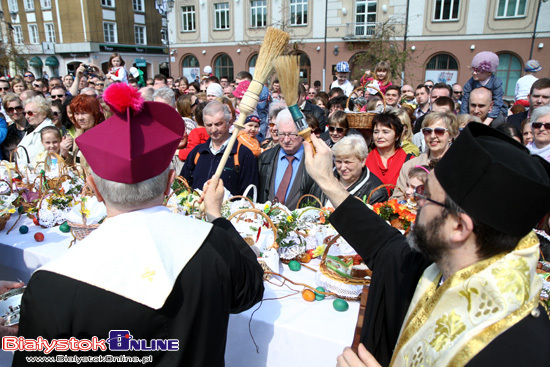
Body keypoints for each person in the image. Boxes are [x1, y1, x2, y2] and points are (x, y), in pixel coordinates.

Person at [13, 84, 264, 366]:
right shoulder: (212, 243)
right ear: (171, 183)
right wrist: (216, 218)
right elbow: (250, 290)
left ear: (94, 188)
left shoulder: (49, 284)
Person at [303, 123, 550, 367]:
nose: (416, 202)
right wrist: (326, 178)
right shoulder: (438, 267)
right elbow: (384, 244)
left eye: (426, 195)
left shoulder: (519, 349)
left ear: (459, 228)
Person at [181, 101, 258, 196]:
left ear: (229, 122)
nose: (213, 130)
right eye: (209, 125)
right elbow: (182, 186)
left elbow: (249, 196)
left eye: (218, 124)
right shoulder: (197, 152)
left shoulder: (243, 154)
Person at [393, 111, 458, 201]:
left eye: (439, 131)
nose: (432, 136)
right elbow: (397, 199)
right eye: (427, 131)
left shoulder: (459, 166)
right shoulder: (409, 165)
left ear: (450, 135)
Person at [257, 108, 314, 209]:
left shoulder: (314, 160)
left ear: (302, 132)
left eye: (292, 134)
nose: (286, 140)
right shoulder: (265, 159)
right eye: (282, 134)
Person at [309, 134, 387, 206]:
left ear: (362, 161)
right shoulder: (325, 178)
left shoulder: (376, 192)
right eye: (339, 161)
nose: (342, 168)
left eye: (348, 162)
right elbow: (309, 204)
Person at [460, 51, 507, 126]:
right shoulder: (469, 84)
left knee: (498, 122)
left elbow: (497, 103)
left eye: (478, 71)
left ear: (489, 72)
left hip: (495, 110)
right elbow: (465, 104)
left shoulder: (496, 83)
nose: (474, 73)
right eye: (473, 69)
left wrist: (487, 122)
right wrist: (463, 120)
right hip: (474, 109)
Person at [365, 113, 410, 187]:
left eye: (385, 132)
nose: (379, 136)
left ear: (397, 136)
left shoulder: (408, 161)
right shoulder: (365, 160)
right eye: (376, 132)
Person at [17, 96, 55, 164]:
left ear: (43, 114)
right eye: (24, 113)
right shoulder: (31, 129)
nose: (26, 116)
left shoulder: (49, 131)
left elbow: (36, 156)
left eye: (30, 113)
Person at [1, 94, 32, 160]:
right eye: (10, 109)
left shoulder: (34, 127)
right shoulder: (8, 132)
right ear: (7, 112)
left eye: (18, 108)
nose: (15, 112)